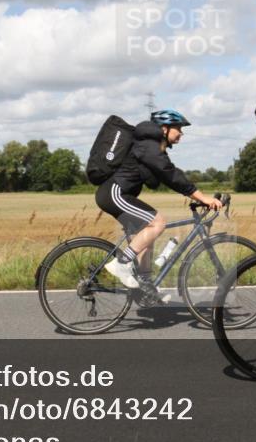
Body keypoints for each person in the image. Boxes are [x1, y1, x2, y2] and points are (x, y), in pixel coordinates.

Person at [96, 109, 223, 304]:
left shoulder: (152, 146)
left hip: (119, 194)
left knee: (147, 235)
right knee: (158, 222)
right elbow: (171, 175)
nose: (181, 133)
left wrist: (196, 194)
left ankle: (146, 288)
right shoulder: (148, 146)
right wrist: (203, 197)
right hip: (115, 193)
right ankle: (121, 263)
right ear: (164, 129)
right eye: (178, 129)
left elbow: (169, 173)